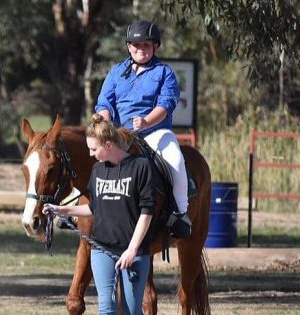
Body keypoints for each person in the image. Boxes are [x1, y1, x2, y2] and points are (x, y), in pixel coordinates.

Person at [44, 114, 154, 315]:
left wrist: (132, 249)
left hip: (133, 253)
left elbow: (147, 213)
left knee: (131, 310)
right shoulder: (97, 170)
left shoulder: (140, 167)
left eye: (94, 149)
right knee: (106, 308)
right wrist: (61, 209)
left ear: (109, 145)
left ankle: (178, 212)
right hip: (101, 249)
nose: (90, 154)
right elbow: (94, 208)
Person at [94, 19, 191, 237]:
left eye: (147, 45)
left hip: (156, 132)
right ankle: (81, 207)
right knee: (93, 154)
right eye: (137, 45)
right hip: (120, 134)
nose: (141, 49)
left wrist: (147, 121)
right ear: (129, 47)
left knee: (175, 160)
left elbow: (166, 104)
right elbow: (104, 103)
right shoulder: (116, 72)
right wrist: (105, 121)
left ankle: (180, 214)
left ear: (155, 47)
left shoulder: (164, 72)